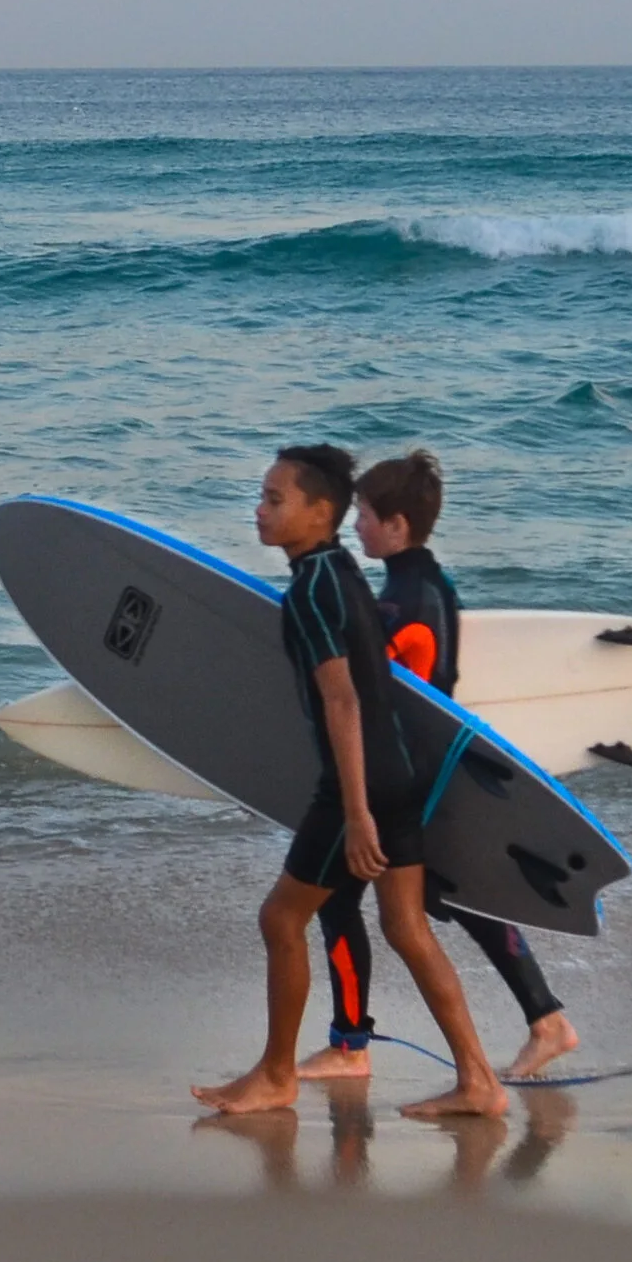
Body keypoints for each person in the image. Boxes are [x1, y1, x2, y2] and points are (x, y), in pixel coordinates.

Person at [191, 444, 509, 1123]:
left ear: (321, 510)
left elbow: (342, 701)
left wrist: (356, 811)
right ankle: (479, 1079)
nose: (260, 509)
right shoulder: (341, 571)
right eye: (262, 495)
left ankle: (277, 1074)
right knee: (405, 925)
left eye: (276, 499)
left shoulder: (309, 591)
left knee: (281, 917)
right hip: (401, 774)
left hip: (356, 786)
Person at [299, 449, 582, 1088]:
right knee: (459, 897)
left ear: (398, 525)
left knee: (338, 898)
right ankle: (546, 1020)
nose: (357, 528)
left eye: (367, 517)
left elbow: (364, 692)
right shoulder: (432, 584)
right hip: (433, 774)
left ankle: (350, 1045)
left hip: (402, 782)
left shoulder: (400, 604)